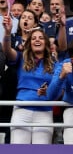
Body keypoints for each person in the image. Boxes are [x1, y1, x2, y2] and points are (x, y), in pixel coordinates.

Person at [2, 15, 57, 144]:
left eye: (41, 38)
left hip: (44, 112)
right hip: (22, 110)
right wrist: (8, 32)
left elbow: (59, 90)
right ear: (29, 43)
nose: (37, 40)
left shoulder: (55, 64)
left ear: (46, 43)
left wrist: (48, 91)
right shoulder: (21, 58)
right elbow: (7, 50)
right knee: (18, 152)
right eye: (33, 38)